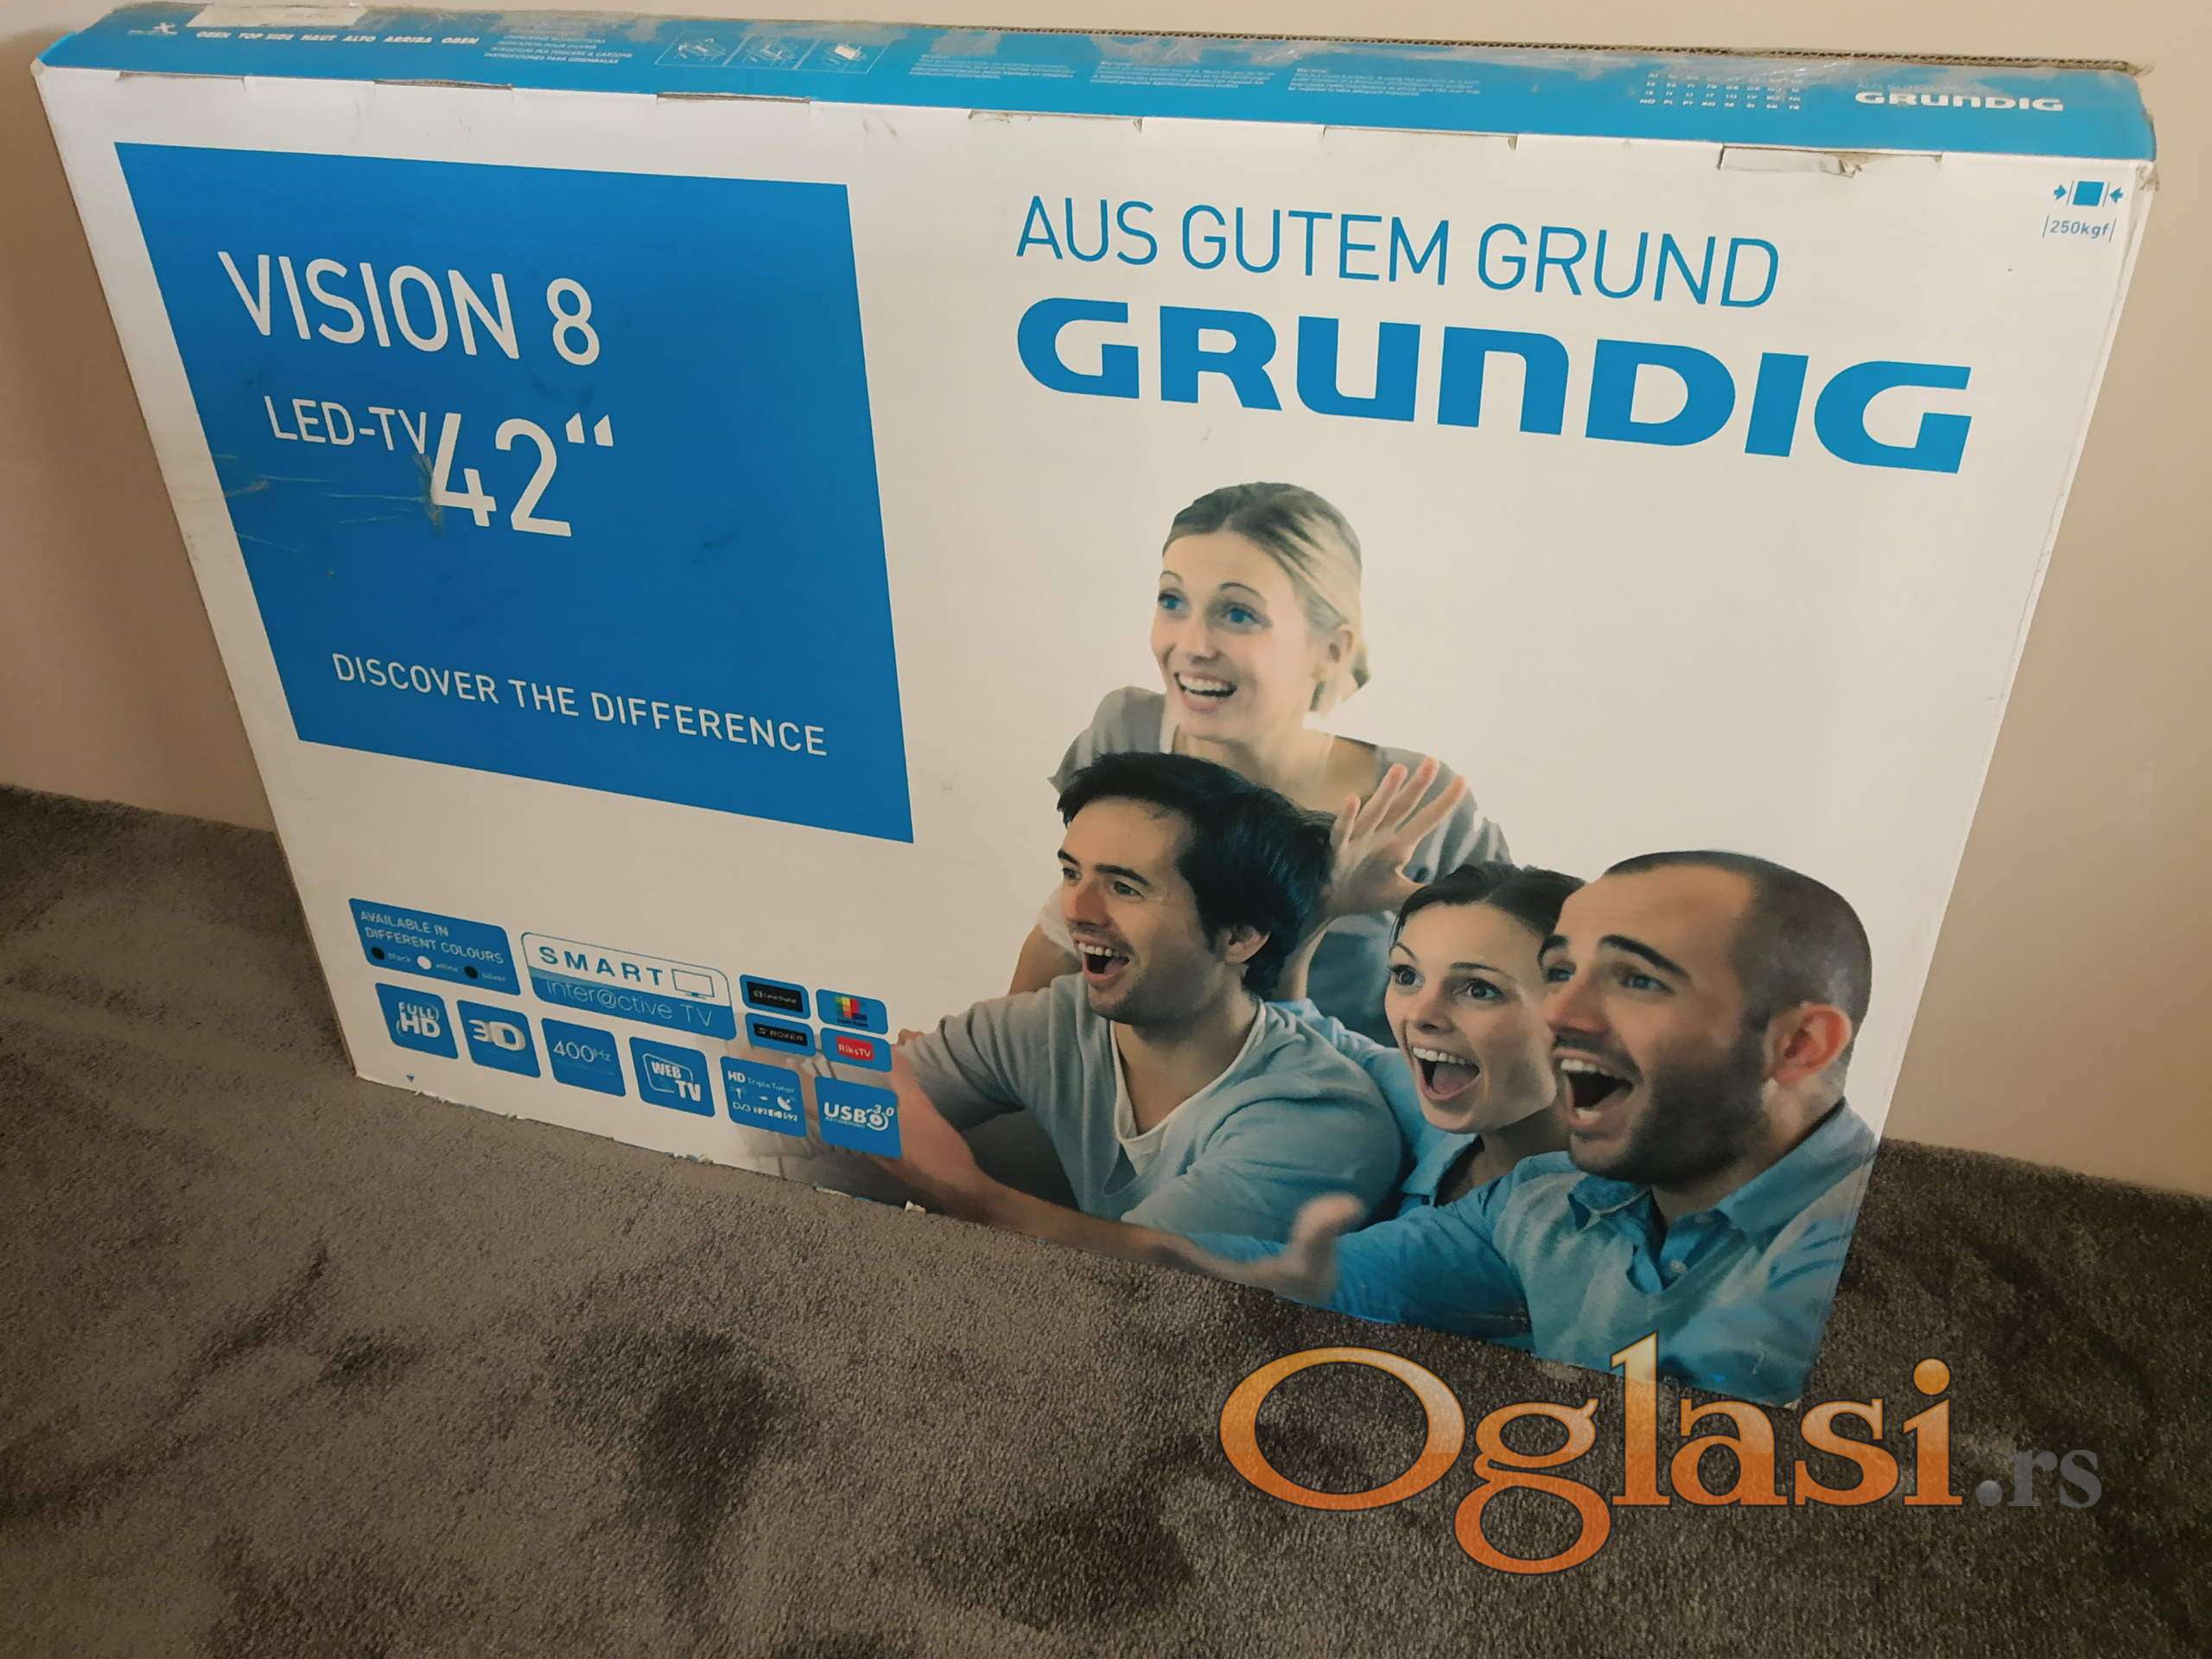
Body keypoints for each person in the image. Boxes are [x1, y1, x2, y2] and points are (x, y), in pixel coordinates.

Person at [879, 850, 1878, 1405]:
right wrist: (975, 1199)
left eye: (1636, 982)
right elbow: (1281, 1273)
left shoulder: (1862, 1264)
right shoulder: (1543, 1201)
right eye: (1563, 975)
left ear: (1799, 1046)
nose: (1564, 1016)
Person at [789, 751, 1405, 1241]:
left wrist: (960, 1189)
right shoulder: (1056, 1020)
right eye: (1071, 873)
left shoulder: (1315, 1124)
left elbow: (1135, 1284)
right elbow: (823, 1091)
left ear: (1240, 936)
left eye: (1125, 887)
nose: (1075, 910)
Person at [1008, 482, 1509, 1046]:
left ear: (1332, 650)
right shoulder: (1129, 732)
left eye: (1238, 613)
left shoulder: (1418, 805)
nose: (1192, 644)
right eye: (1172, 600)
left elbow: (1508, 999)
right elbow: (1066, 929)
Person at [1268, 861, 1580, 1219]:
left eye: (1479, 989)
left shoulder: (1583, 1221)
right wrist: (1322, 908)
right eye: (1406, 975)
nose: (1420, 1014)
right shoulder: (1432, 1096)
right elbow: (1300, 1031)